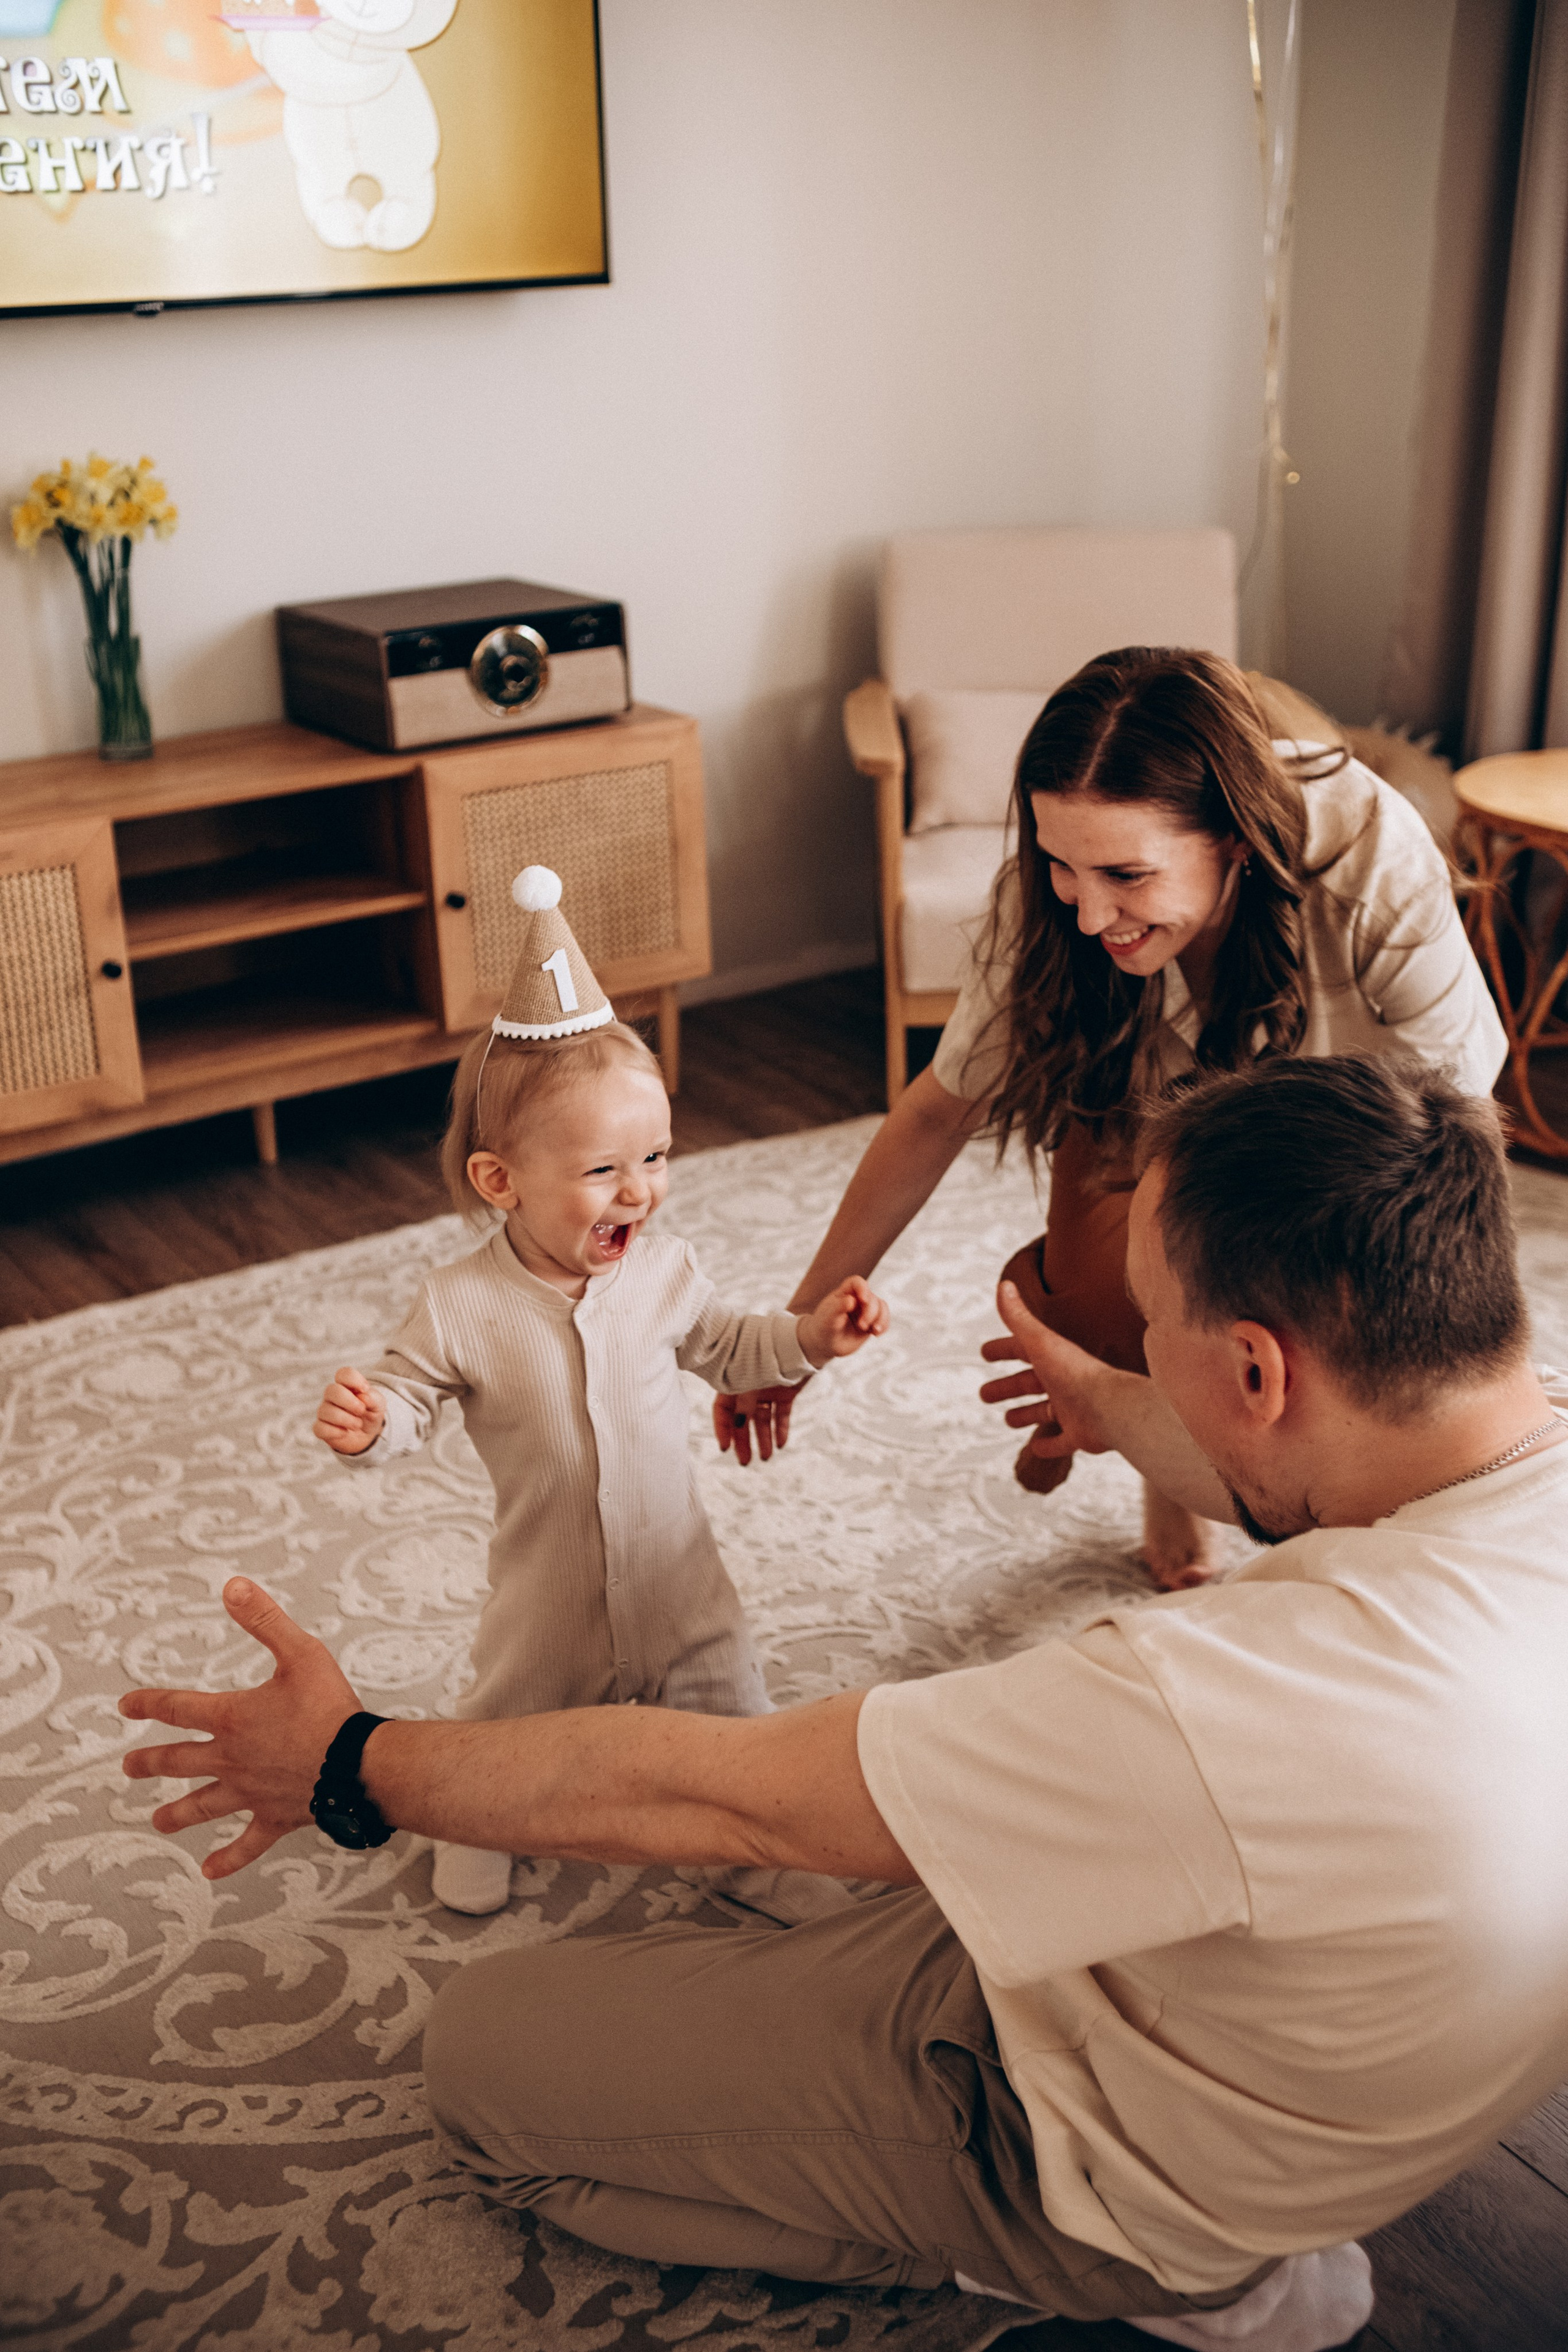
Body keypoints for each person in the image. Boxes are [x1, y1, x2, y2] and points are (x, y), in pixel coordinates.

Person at [120, 1054, 1568, 2352]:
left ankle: (1104, 2281)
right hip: (1289, 2015)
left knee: (487, 2060)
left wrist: (348, 1759)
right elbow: (1283, 1463)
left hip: (1099, 2150)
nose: (1142, 1365)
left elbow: (725, 1793)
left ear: (1253, 1367)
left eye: (1150, 1327)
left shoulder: (1215, 1702)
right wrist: (1104, 1396)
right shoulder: (1511, 1441)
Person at [715, 648, 1506, 1589]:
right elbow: (937, 1112)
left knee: (1327, 1376)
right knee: (1110, 1292)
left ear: (1235, 843)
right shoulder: (1057, 906)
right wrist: (795, 1336)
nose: (1091, 915)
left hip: (1361, 1130)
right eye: (1061, 865)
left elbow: (1458, 1133)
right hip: (1151, 1111)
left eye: (1128, 876)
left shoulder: (1371, 854)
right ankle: (1151, 1453)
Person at [312, 864, 887, 1915]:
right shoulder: (460, 1303)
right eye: (604, 1173)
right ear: (501, 1182)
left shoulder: (663, 1272)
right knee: (512, 1714)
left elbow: (729, 1348)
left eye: (658, 1157)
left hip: (677, 1572)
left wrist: (811, 1338)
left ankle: (749, 1848)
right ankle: (470, 1817)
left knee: (729, 1712)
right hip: (551, 1587)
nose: (642, 1191)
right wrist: (373, 1423)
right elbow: (409, 1393)